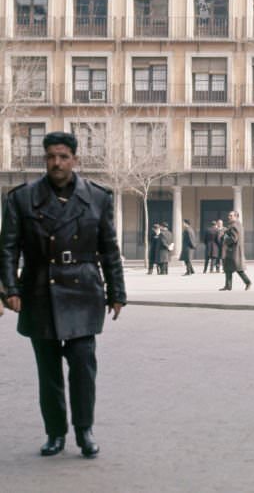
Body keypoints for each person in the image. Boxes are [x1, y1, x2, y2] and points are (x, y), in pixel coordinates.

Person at [0, 130, 126, 458]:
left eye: (63, 157)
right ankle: (55, 433)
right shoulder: (21, 198)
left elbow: (109, 249)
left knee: (84, 368)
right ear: (45, 159)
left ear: (74, 159)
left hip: (83, 291)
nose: (56, 163)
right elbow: (8, 249)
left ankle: (85, 431)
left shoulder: (98, 197)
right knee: (49, 372)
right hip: (40, 290)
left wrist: (117, 292)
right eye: (51, 157)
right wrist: (10, 289)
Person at [219, 210, 252, 291]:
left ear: (236, 217)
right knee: (228, 269)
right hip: (234, 250)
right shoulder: (237, 225)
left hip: (233, 251)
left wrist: (225, 238)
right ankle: (228, 286)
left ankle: (248, 282)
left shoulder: (234, 226)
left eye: (231, 216)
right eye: (229, 215)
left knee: (238, 269)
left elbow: (234, 239)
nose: (229, 217)